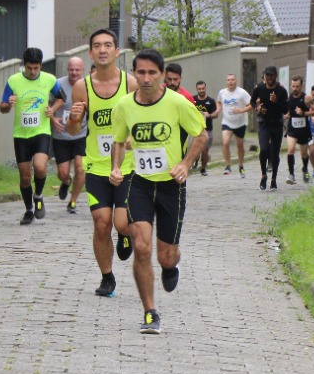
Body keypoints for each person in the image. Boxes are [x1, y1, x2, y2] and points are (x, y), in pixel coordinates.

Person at [109, 48, 207, 334]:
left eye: (153, 73)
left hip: (170, 187)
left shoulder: (178, 103)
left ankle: (170, 266)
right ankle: (150, 312)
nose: (146, 78)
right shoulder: (124, 106)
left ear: (163, 75)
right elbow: (117, 139)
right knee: (141, 246)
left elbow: (201, 135)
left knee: (166, 255)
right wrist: (116, 167)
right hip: (139, 182)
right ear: (134, 74)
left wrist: (186, 164)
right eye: (141, 72)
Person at [67, 29, 135, 297]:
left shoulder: (129, 83)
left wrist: (130, 137)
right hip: (95, 165)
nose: (103, 50)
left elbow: (141, 118)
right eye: (97, 46)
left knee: (121, 223)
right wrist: (74, 118)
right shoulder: (81, 86)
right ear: (91, 53)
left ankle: (126, 235)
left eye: (108, 45)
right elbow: (74, 132)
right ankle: (107, 277)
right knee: (101, 222)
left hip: (128, 165)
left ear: (117, 52)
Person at [0, 48, 64, 224]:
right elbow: (2, 107)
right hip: (21, 135)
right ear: (24, 66)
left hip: (41, 132)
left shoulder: (49, 79)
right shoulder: (13, 81)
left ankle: (39, 195)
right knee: (25, 176)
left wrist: (53, 109)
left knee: (41, 167)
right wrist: (8, 105)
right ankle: (28, 210)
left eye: (36, 68)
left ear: (41, 66)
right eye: (29, 68)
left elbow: (61, 97)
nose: (33, 72)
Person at [51, 56, 87, 214]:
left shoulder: (88, 86)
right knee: (63, 173)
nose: (74, 72)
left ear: (82, 70)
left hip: (82, 134)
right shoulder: (58, 84)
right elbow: (46, 104)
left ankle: (73, 201)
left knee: (81, 168)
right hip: (62, 136)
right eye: (71, 69)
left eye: (77, 70)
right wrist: (53, 118)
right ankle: (66, 181)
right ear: (67, 69)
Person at [251, 65, 288, 191]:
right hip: (264, 123)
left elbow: (285, 109)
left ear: (275, 76)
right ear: (264, 76)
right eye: (267, 75)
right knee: (264, 149)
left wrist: (276, 101)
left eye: (272, 75)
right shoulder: (259, 88)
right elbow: (252, 101)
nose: (269, 78)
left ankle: (273, 179)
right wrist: (258, 108)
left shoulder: (281, 91)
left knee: (275, 153)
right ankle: (263, 175)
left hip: (277, 124)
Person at [217, 73, 251, 176]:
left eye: (232, 80)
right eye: (228, 80)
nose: (230, 81)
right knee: (225, 142)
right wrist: (219, 108)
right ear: (226, 82)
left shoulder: (242, 93)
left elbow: (251, 105)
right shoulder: (222, 92)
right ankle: (228, 165)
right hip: (227, 122)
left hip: (240, 123)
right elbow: (218, 101)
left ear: (236, 81)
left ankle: (241, 165)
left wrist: (240, 110)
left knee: (240, 146)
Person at [284, 76, 313, 184]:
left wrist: (303, 113)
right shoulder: (288, 97)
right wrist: (287, 115)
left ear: (301, 86)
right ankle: (291, 175)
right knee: (291, 149)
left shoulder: (307, 98)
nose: (295, 88)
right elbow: (288, 110)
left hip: (303, 130)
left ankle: (305, 169)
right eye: (293, 86)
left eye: (297, 86)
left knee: (304, 154)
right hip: (292, 128)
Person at [192, 80, 219, 176]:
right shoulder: (192, 100)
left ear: (205, 88)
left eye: (203, 88)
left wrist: (209, 115)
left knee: (205, 150)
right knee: (195, 149)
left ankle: (203, 168)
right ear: (196, 89)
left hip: (207, 129)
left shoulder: (210, 101)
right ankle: (196, 159)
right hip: (195, 129)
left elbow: (216, 114)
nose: (201, 90)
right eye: (199, 89)